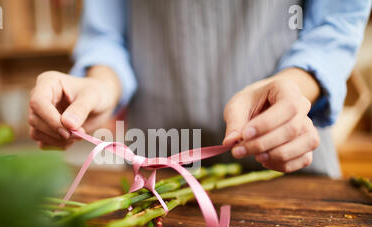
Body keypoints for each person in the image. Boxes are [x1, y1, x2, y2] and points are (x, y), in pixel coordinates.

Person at [28, 0, 371, 177]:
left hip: (289, 158)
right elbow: (106, 33)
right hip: (154, 171)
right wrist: (100, 87)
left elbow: (337, 18)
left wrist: (295, 83)